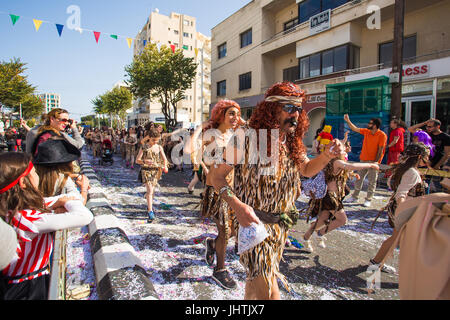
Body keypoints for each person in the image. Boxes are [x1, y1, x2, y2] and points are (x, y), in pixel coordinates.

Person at [209, 82, 343, 300]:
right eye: (289, 108)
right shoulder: (246, 137)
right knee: (270, 293)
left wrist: (326, 156)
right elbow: (216, 177)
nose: (296, 114)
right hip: (253, 227)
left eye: (299, 109)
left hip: (280, 228)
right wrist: (238, 206)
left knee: (254, 287)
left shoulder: (291, 140)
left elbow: (307, 170)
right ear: (271, 109)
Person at [0, 152, 93, 300]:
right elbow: (85, 216)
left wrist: (61, 202)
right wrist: (65, 203)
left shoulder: (19, 210)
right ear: (23, 182)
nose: (37, 175)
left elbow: (60, 199)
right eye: (34, 172)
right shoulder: (25, 219)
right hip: (26, 287)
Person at [185, 100, 245, 290]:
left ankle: (212, 243)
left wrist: (242, 124)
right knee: (225, 232)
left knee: (234, 231)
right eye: (231, 114)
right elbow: (188, 150)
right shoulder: (211, 135)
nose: (236, 117)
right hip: (217, 191)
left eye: (238, 113)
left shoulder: (236, 135)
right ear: (221, 114)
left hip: (234, 190)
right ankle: (220, 270)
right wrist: (200, 128)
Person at [302, 140, 379, 252]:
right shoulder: (337, 161)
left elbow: (344, 171)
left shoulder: (332, 161)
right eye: (343, 150)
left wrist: (352, 174)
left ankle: (306, 238)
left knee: (322, 220)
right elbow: (351, 165)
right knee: (342, 220)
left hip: (330, 196)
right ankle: (320, 233)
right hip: (330, 197)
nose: (345, 152)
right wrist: (370, 164)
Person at [369, 143, 430, 274]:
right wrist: (403, 212)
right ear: (419, 157)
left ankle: (377, 263)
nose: (427, 160)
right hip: (406, 212)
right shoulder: (411, 172)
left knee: (397, 239)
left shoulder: (403, 169)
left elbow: (391, 184)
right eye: (426, 157)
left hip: (404, 211)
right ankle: (377, 264)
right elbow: (401, 194)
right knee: (399, 240)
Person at [343, 115, 387, 207]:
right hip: (363, 160)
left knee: (372, 181)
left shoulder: (382, 135)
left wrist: (376, 162)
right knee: (359, 178)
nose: (368, 124)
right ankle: (355, 197)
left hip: (373, 161)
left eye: (371, 123)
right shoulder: (366, 132)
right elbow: (354, 128)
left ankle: (368, 199)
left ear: (375, 125)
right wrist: (348, 120)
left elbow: (381, 149)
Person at [34, 139, 90, 205]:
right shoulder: (63, 180)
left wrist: (72, 175)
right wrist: (84, 188)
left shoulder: (33, 176)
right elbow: (79, 204)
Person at [135, 128, 168, 222]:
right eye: (153, 140)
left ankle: (149, 201)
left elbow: (165, 159)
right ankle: (150, 211)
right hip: (146, 170)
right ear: (149, 138)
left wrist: (165, 166)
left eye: (157, 140)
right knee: (150, 190)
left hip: (156, 171)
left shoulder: (159, 147)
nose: (155, 142)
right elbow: (137, 160)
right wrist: (145, 161)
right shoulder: (144, 147)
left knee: (152, 191)